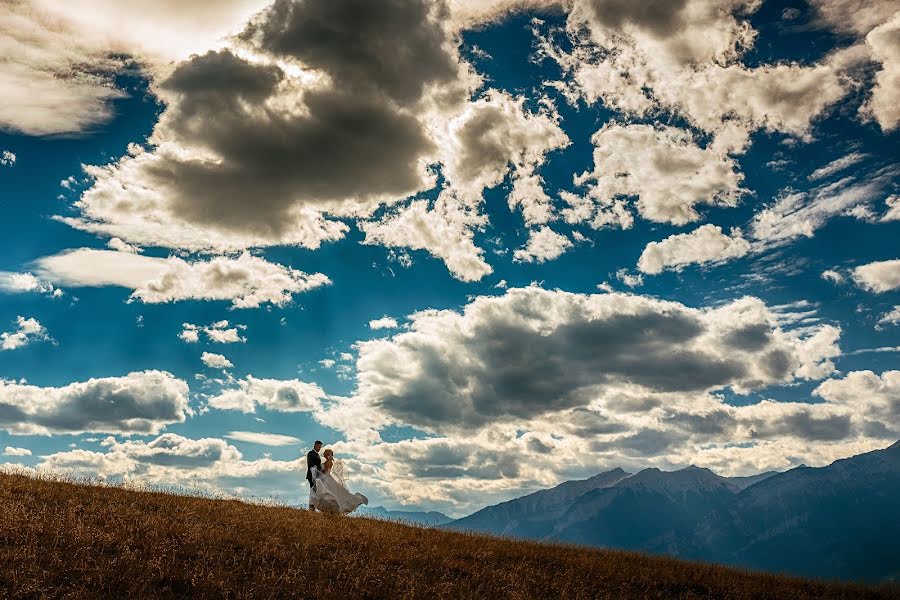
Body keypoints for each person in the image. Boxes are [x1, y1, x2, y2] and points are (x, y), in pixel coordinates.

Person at [309, 448, 368, 514]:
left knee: (328, 494)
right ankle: (328, 510)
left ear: (328, 454)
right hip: (327, 478)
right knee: (330, 494)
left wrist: (316, 471)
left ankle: (320, 508)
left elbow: (325, 472)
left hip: (325, 479)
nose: (323, 454)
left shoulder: (328, 462)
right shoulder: (329, 461)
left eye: (325, 452)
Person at [306, 441, 323, 511]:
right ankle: (311, 506)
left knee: (316, 490)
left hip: (317, 475)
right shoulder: (310, 453)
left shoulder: (318, 455)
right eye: (319, 447)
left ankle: (313, 505)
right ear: (315, 445)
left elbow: (319, 465)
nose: (319, 448)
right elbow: (311, 465)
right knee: (313, 490)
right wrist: (318, 470)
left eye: (320, 447)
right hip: (311, 475)